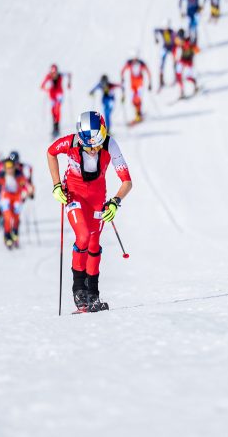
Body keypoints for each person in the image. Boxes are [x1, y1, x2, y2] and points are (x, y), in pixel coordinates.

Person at [48, 111, 133, 312]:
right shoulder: (71, 142)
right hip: (74, 196)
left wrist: (114, 202)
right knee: (83, 236)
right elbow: (51, 152)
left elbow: (127, 181)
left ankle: (93, 294)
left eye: (96, 144)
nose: (93, 149)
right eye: (88, 145)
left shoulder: (110, 145)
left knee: (94, 244)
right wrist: (56, 185)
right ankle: (78, 289)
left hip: (97, 199)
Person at [0, 156, 33, 250]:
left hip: (16, 197)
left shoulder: (19, 175)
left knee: (16, 216)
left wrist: (30, 192)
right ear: (4, 168)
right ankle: (7, 235)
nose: (9, 170)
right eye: (7, 167)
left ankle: (15, 232)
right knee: (8, 217)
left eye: (11, 167)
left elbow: (27, 185)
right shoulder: (1, 175)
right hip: (6, 196)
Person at [120, 54, 153, 123]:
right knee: (133, 100)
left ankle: (138, 115)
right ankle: (138, 113)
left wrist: (150, 83)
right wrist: (122, 78)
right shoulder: (130, 63)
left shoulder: (141, 63)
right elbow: (123, 70)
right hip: (133, 85)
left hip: (139, 84)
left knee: (137, 99)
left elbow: (148, 72)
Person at [41, 64, 72, 136]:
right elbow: (42, 86)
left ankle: (57, 127)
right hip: (52, 95)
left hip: (59, 95)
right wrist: (47, 89)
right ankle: (54, 127)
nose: (54, 75)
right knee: (53, 111)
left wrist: (69, 83)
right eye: (52, 73)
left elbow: (69, 74)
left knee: (57, 109)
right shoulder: (48, 76)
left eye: (55, 73)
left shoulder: (60, 75)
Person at [175, 29, 200, 99]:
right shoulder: (179, 41)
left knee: (188, 77)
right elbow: (176, 44)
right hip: (182, 60)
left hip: (189, 61)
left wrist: (192, 47)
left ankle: (195, 84)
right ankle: (182, 91)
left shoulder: (189, 42)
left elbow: (197, 50)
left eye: (180, 37)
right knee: (178, 75)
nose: (179, 39)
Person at [154, 21, 177, 89]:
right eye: (165, 28)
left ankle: (176, 77)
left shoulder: (172, 32)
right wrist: (156, 39)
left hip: (172, 48)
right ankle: (161, 80)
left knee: (175, 63)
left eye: (166, 27)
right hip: (165, 48)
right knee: (161, 63)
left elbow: (175, 37)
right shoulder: (162, 31)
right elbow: (155, 30)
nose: (165, 29)